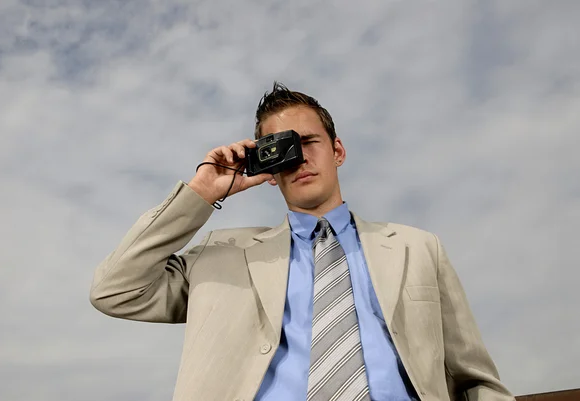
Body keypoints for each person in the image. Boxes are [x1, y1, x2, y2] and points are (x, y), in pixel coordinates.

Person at [90, 82, 514, 401]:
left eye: (309, 142)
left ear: (338, 150)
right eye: (284, 149)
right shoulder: (219, 256)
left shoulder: (416, 247)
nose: (301, 158)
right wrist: (201, 192)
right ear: (269, 167)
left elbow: (476, 379)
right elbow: (115, 290)